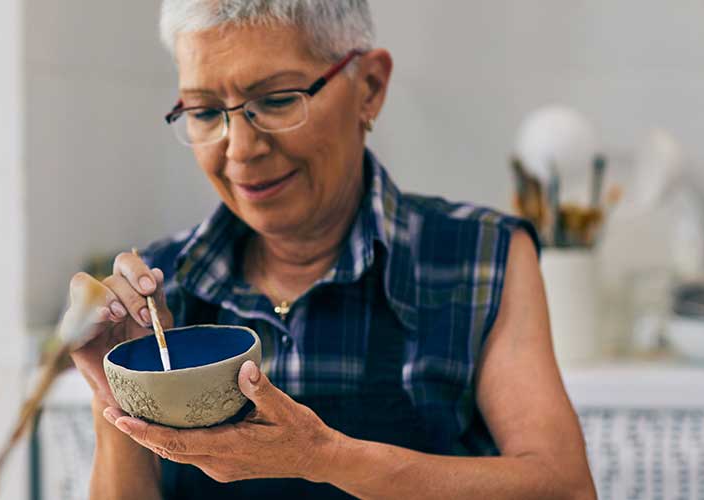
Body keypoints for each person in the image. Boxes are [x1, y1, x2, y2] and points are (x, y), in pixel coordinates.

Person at [65, 1, 596, 498]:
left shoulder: (480, 257)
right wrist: (115, 392)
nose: (242, 149)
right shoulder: (161, 291)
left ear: (369, 87)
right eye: (204, 112)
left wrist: (323, 456)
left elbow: (565, 488)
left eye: (276, 101)